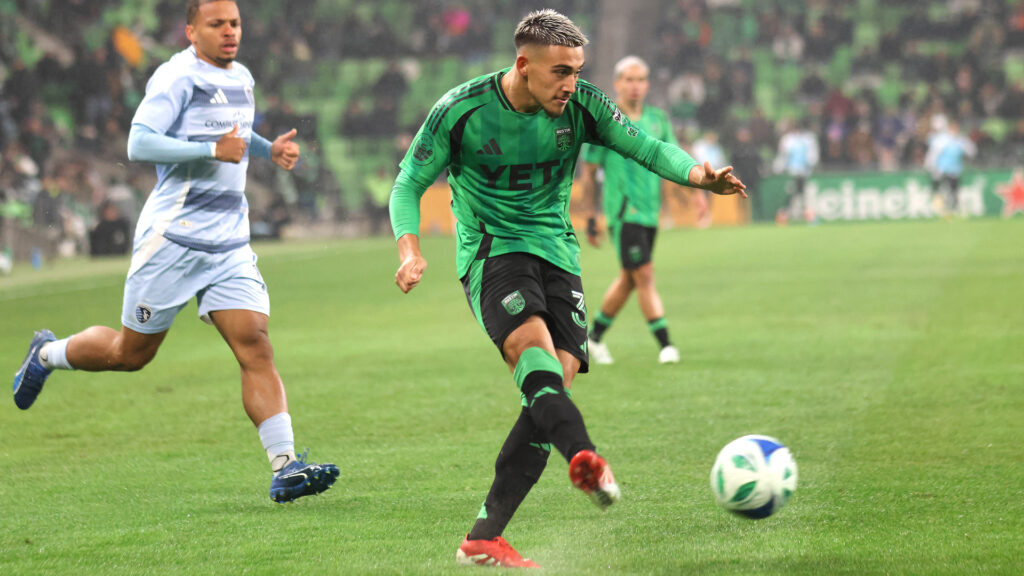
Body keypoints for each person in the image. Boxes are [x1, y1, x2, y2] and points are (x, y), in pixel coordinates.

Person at [389, 10, 746, 568]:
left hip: (557, 251)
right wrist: (410, 250)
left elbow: (649, 149)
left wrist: (701, 178)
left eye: (577, 70)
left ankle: (483, 537)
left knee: (553, 387)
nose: (570, 84)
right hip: (492, 251)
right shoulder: (461, 110)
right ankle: (585, 457)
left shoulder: (584, 105)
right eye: (560, 72)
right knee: (534, 358)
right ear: (523, 64)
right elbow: (409, 181)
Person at [12, 0, 338, 503]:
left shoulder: (244, 78)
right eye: (217, 24)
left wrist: (267, 148)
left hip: (228, 241)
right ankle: (48, 353)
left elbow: (232, 134)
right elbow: (140, 143)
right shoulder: (176, 78)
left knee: (255, 343)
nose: (229, 32)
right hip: (173, 239)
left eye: (235, 23)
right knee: (130, 354)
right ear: (191, 31)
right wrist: (211, 152)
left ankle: (285, 466)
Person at [578, 55, 686, 366]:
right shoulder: (605, 120)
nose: (635, 86)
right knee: (645, 274)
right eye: (629, 79)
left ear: (647, 84)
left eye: (640, 80)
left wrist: (693, 194)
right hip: (624, 213)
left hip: (650, 212)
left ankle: (594, 338)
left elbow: (673, 158)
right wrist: (590, 216)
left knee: (629, 277)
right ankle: (666, 344)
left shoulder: (658, 119)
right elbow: (589, 172)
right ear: (617, 83)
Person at [924, 118, 976, 216]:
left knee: (954, 191)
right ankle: (939, 209)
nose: (955, 130)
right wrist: (931, 167)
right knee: (941, 190)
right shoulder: (942, 140)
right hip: (942, 170)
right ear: (949, 129)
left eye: (956, 128)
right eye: (953, 128)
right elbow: (933, 154)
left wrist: (965, 148)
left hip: (955, 170)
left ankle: (953, 209)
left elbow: (972, 151)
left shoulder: (961, 140)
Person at [773, 118, 819, 224]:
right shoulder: (787, 140)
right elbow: (783, 156)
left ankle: (808, 217)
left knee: (802, 195)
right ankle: (784, 217)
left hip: (803, 172)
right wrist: (778, 168)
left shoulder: (808, 139)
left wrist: (810, 166)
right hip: (791, 173)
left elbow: (812, 156)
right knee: (791, 195)